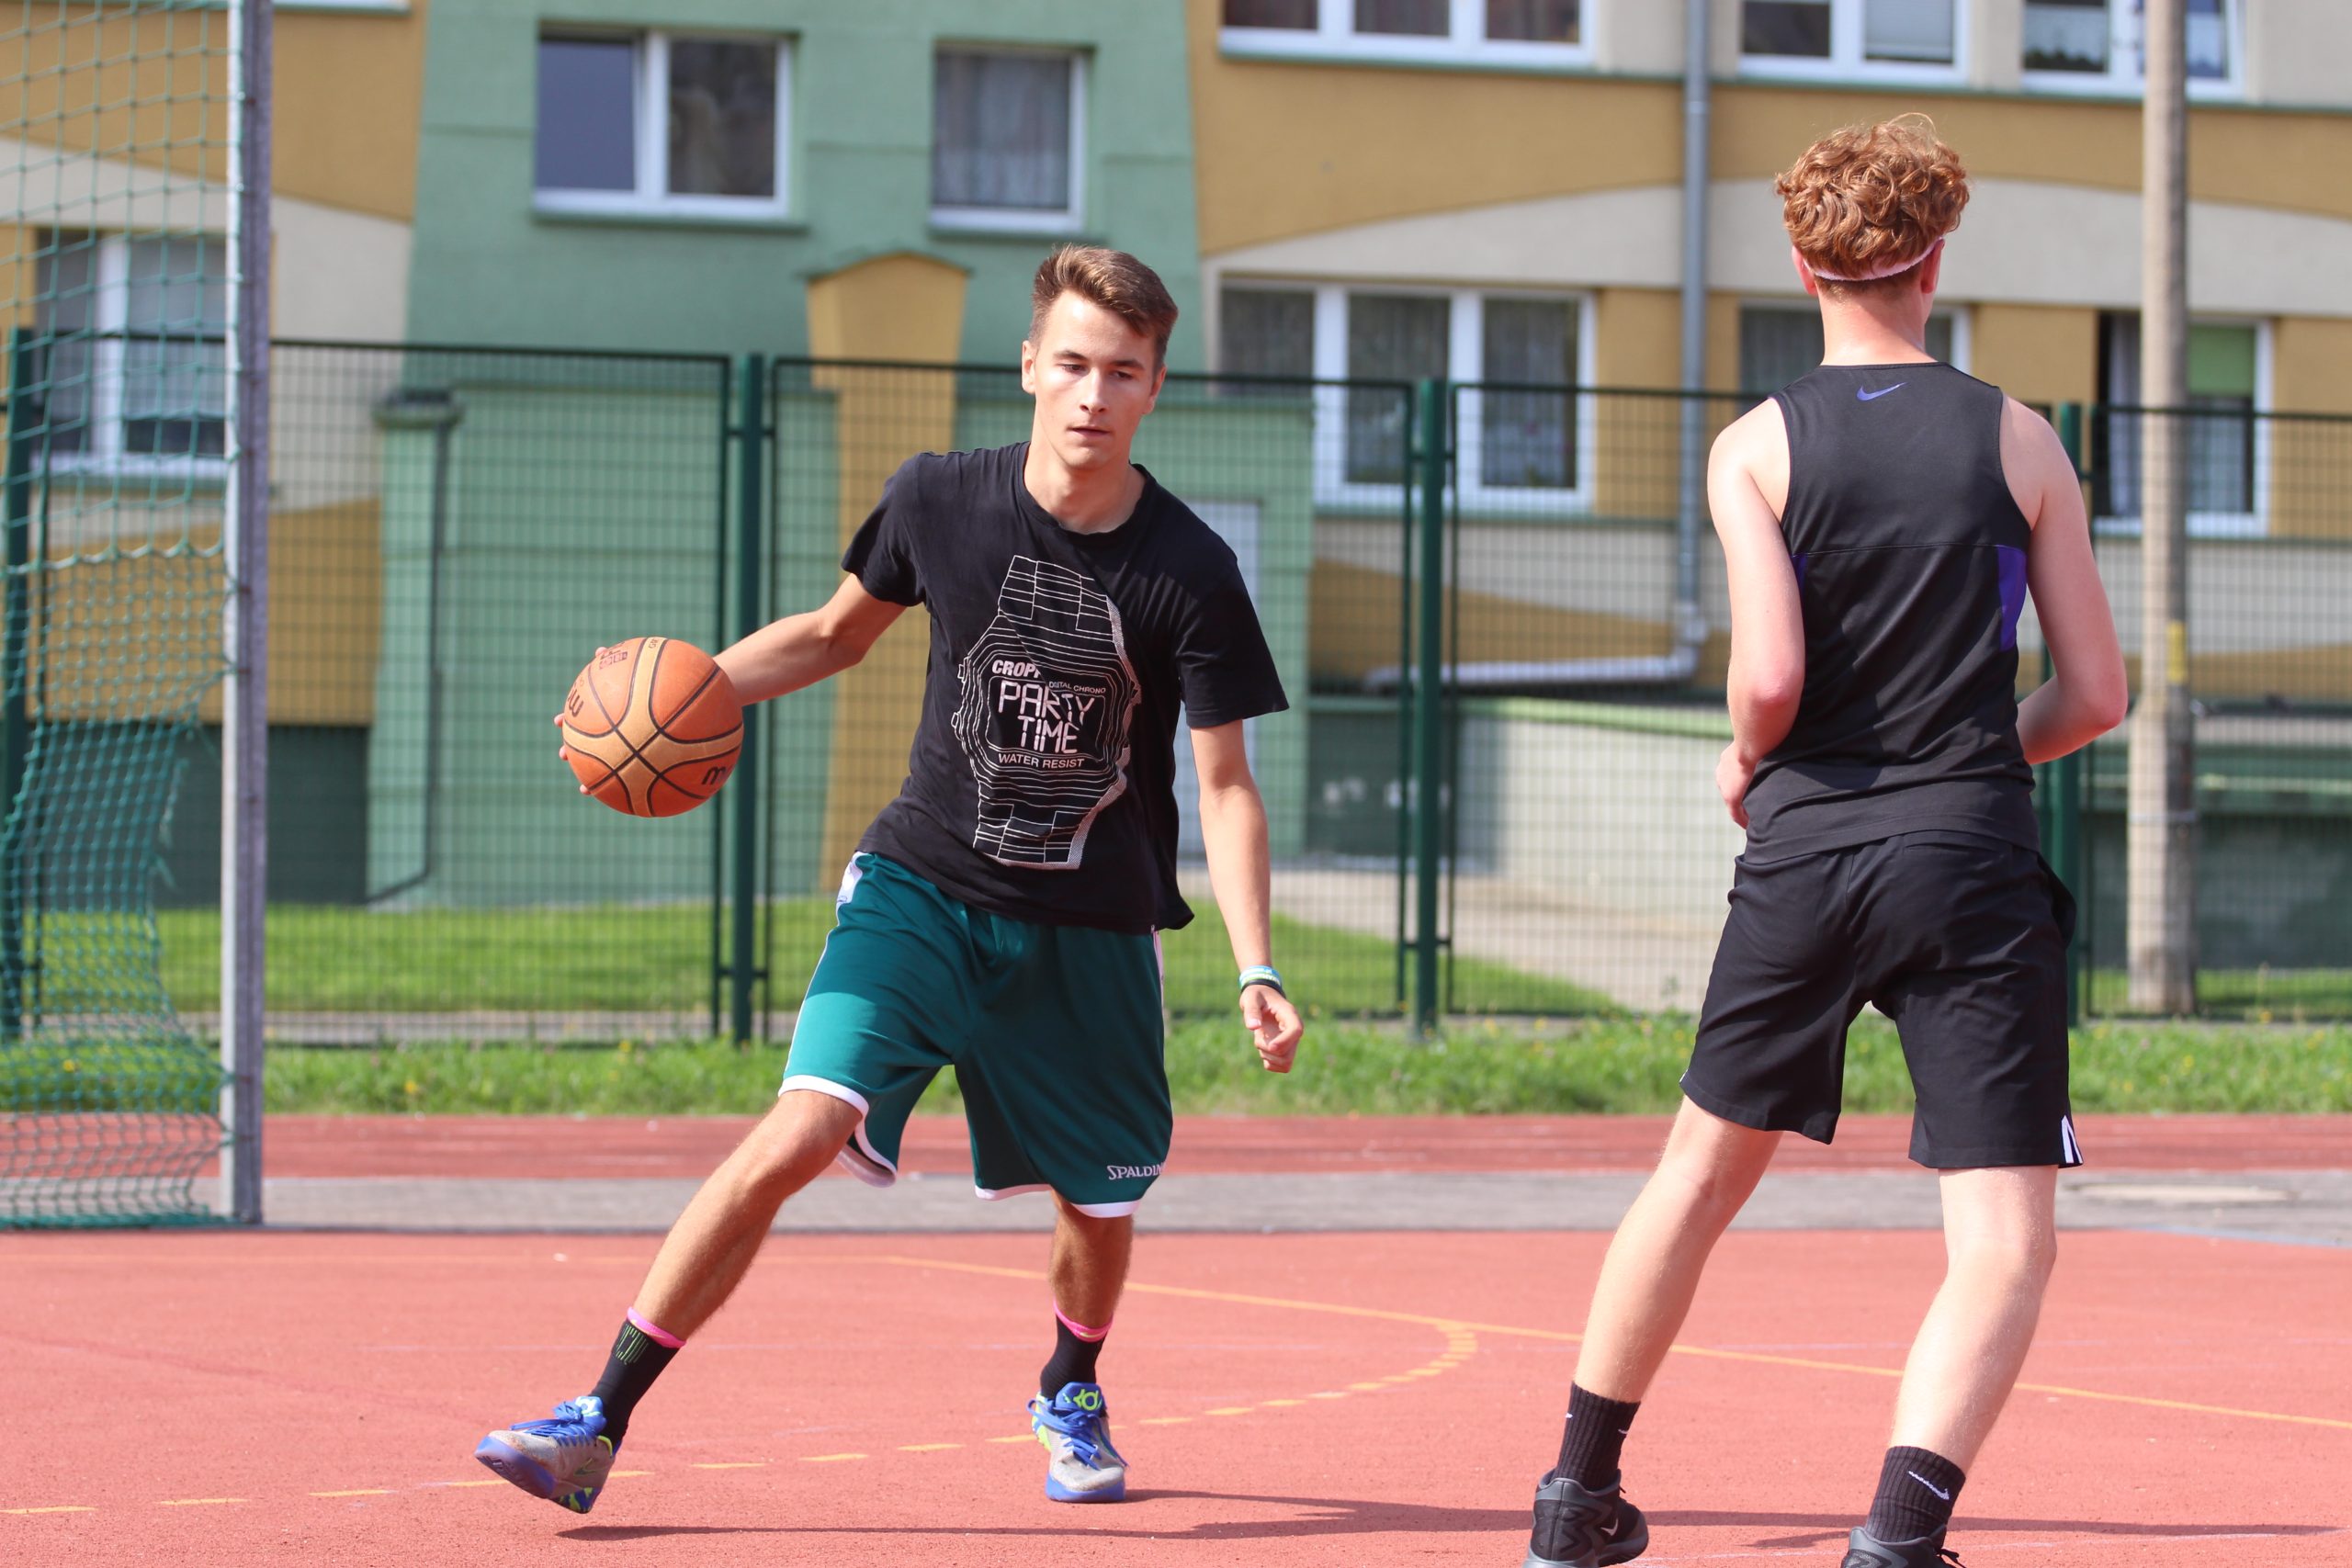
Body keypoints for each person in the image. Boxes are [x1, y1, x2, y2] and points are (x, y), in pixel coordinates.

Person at [476, 245, 1303, 1514]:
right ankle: (597, 1414)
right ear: (1030, 366)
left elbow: (1228, 782)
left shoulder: (1187, 568)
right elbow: (828, 634)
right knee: (796, 1129)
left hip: (1087, 928)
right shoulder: (939, 499)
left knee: (1100, 1202)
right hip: (921, 887)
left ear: (1154, 388)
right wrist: (675, 689)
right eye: (1072, 363)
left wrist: (1255, 960)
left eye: (1122, 372)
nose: (1092, 393)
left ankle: (1070, 1384)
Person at [1516, 118, 2128, 1568]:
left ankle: (1575, 1493)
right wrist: (1972, 757)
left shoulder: (1756, 445)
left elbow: (1773, 683)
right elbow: (2096, 693)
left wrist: (1748, 756)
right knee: (2000, 1237)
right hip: (1968, 859)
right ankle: (1898, 1538)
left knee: (1696, 1178)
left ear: (1804, 263)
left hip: (1804, 854)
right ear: (1937, 258)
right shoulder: (2019, 436)